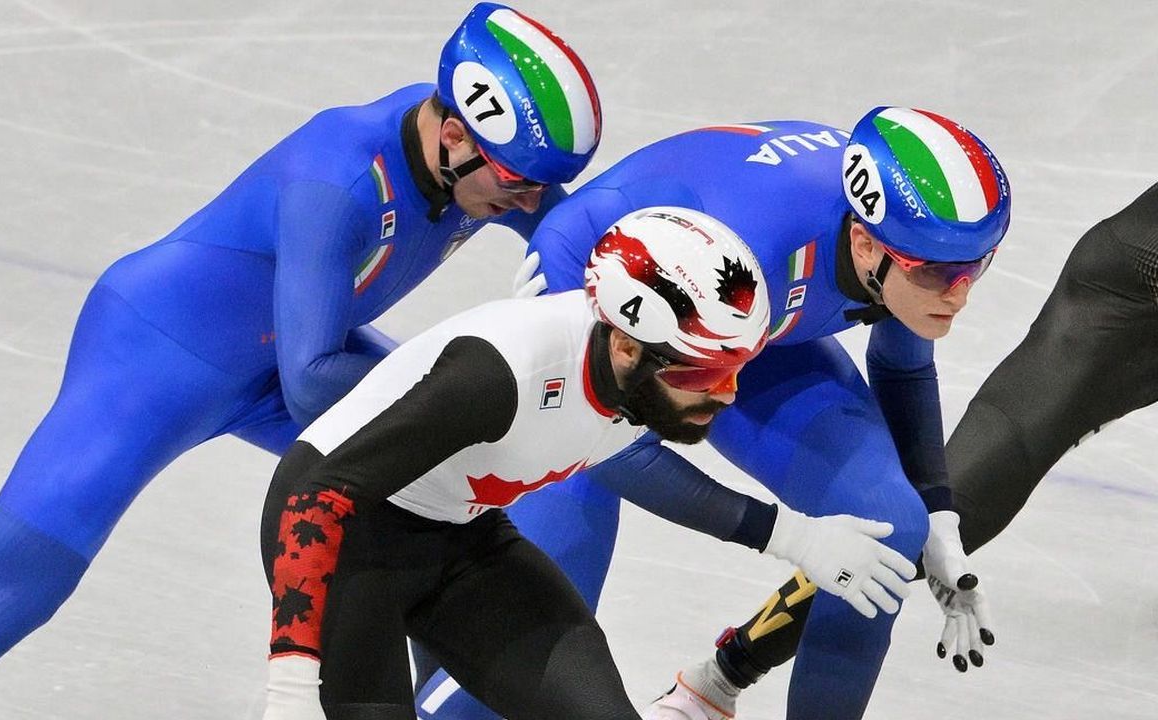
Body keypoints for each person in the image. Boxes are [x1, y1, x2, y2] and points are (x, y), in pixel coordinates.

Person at [0, 4, 603, 718]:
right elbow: (316, 381)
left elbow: (578, 233)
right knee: (4, 601)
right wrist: (474, 396)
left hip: (283, 357)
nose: (530, 202)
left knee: (463, 491)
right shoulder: (343, 179)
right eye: (517, 184)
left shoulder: (480, 165)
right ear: (453, 136)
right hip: (157, 360)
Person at [413, 107, 1012, 720]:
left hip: (743, 314)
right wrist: (791, 536)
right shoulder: (767, 244)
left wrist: (936, 510)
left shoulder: (902, 243)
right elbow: (616, 450)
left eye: (979, 266)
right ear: (864, 245)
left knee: (891, 524)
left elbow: (905, 364)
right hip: (611, 297)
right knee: (535, 641)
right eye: (942, 274)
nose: (961, 294)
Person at [258, 206, 919, 720]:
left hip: (465, 541)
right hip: (348, 543)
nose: (729, 392)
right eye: (711, 371)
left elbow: (655, 475)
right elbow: (318, 498)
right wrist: (292, 680)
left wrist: (800, 537)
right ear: (633, 348)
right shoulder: (503, 373)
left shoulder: (625, 378)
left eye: (739, 366)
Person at [647, 180, 1158, 713]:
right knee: (933, 519)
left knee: (928, 522)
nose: (959, 293)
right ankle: (723, 677)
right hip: (1135, 293)